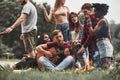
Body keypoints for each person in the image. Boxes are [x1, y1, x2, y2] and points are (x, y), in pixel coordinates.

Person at [89, 3, 113, 69]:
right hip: (104, 44)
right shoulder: (103, 20)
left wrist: (88, 23)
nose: (94, 13)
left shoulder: (102, 21)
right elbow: (109, 35)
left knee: (105, 67)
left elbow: (92, 33)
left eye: (95, 11)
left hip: (104, 45)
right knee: (105, 66)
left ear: (100, 12)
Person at [77, 3, 100, 70]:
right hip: (89, 44)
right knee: (91, 61)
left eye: (85, 11)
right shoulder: (86, 19)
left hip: (95, 43)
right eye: (83, 12)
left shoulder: (95, 19)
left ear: (90, 10)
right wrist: (81, 44)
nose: (84, 13)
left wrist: (84, 46)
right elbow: (84, 34)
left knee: (95, 61)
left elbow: (91, 36)